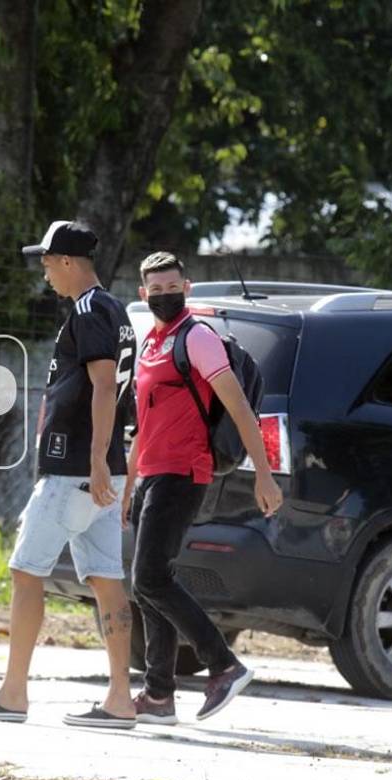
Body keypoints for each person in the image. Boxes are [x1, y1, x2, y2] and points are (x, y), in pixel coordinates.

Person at [0, 221, 138, 729]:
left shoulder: (89, 309)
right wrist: (112, 466)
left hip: (77, 469)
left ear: (69, 263)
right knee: (106, 578)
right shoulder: (116, 311)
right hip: (100, 473)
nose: (44, 270)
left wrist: (97, 459)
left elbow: (104, 388)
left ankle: (13, 694)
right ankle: (120, 700)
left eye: (48, 260)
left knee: (25, 569)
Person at [123, 251, 283, 724]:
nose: (166, 295)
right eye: (157, 289)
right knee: (150, 583)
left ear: (187, 288)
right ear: (143, 293)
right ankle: (157, 696)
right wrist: (130, 485)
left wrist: (264, 475)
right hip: (152, 474)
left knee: (149, 578)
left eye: (174, 287)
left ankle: (223, 664)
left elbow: (238, 409)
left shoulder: (198, 339)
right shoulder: (151, 343)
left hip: (183, 472)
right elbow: (144, 427)